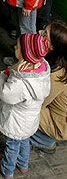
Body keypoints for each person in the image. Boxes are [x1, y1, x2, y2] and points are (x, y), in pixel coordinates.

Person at [0, 33, 50, 179]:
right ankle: (23, 165)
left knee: (12, 145)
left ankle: (7, 170)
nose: (15, 47)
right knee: (25, 141)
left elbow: (6, 94)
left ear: (26, 54)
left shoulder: (20, 81)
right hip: (30, 121)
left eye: (17, 47)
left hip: (16, 122)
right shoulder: (42, 70)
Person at [30, 20, 67, 154]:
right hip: (57, 114)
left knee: (23, 107)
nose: (39, 32)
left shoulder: (56, 76)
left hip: (60, 125)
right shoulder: (58, 62)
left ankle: (44, 141)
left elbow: (39, 102)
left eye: (45, 34)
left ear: (52, 47)